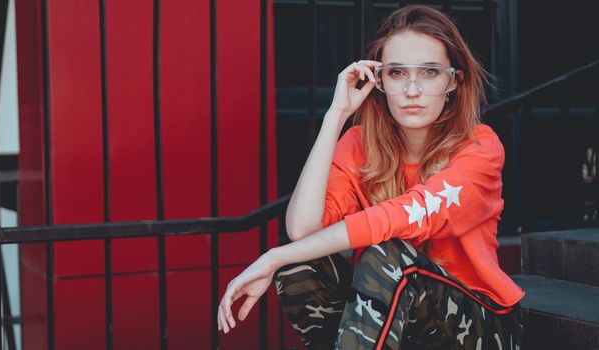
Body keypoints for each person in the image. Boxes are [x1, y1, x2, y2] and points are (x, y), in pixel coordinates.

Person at [217, 5, 525, 349]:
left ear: (453, 81)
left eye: (429, 72)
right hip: (393, 320)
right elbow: (302, 229)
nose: (412, 89)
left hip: (479, 325)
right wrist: (337, 114)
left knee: (387, 253)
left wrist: (272, 257)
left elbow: (401, 217)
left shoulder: (480, 147)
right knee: (299, 265)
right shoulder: (359, 145)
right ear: (377, 80)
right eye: (396, 73)